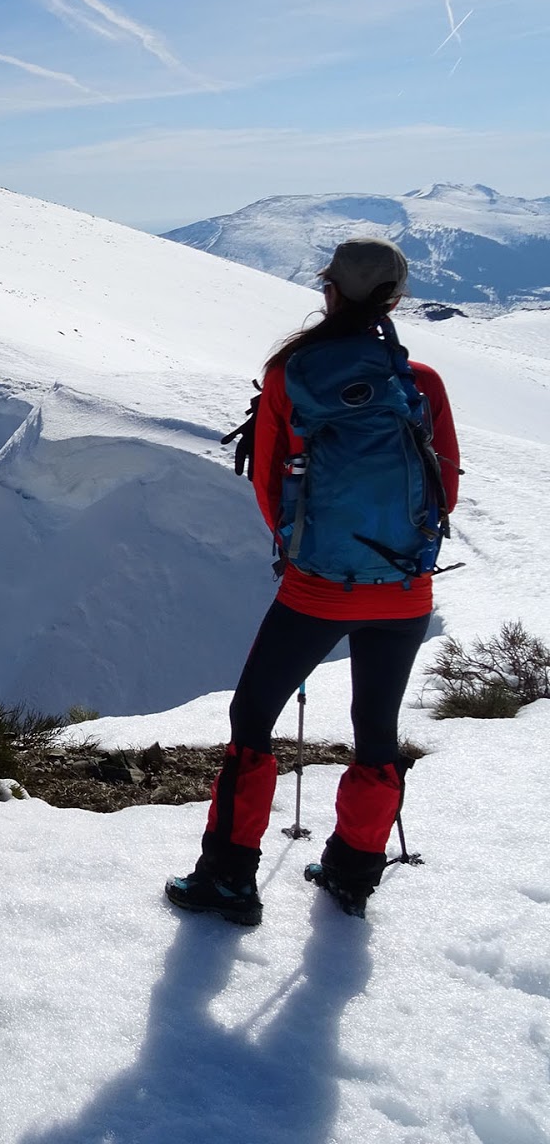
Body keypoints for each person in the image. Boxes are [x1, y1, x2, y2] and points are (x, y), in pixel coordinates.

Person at [165, 237, 462, 924]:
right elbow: (444, 487)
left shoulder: (291, 374)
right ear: (393, 298)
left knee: (252, 722)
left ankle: (229, 877)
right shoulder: (422, 382)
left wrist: (303, 550)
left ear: (329, 291)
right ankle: (353, 871)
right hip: (405, 590)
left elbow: (269, 482)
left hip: (316, 590)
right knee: (376, 729)